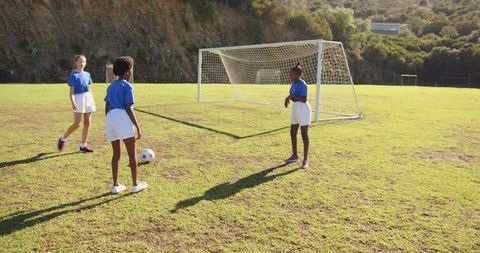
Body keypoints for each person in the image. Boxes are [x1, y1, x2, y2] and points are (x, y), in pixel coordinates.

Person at [104, 56, 148, 194]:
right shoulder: (128, 86)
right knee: (131, 154)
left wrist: (112, 121)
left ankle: (116, 185)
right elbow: (129, 108)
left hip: (110, 117)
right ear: (128, 72)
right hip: (122, 116)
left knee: (116, 154)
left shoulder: (110, 87)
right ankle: (135, 185)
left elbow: (107, 107)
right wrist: (138, 127)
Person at [58, 55, 96, 152]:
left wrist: (90, 98)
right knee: (77, 123)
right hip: (78, 98)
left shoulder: (87, 74)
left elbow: (89, 87)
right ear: (76, 63)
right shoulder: (73, 75)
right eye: (80, 61)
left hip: (88, 97)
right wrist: (73, 102)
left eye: (84, 62)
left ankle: (83, 145)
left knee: (88, 122)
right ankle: (62, 139)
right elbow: (71, 92)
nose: (82, 63)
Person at [284, 62, 310, 169]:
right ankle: (294, 156)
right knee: (292, 132)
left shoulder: (303, 84)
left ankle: (305, 160)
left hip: (303, 109)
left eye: (291, 74)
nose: (289, 75)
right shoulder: (293, 83)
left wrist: (292, 96)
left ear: (297, 75)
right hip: (295, 108)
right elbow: (292, 95)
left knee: (304, 135)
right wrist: (288, 98)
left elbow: (304, 99)